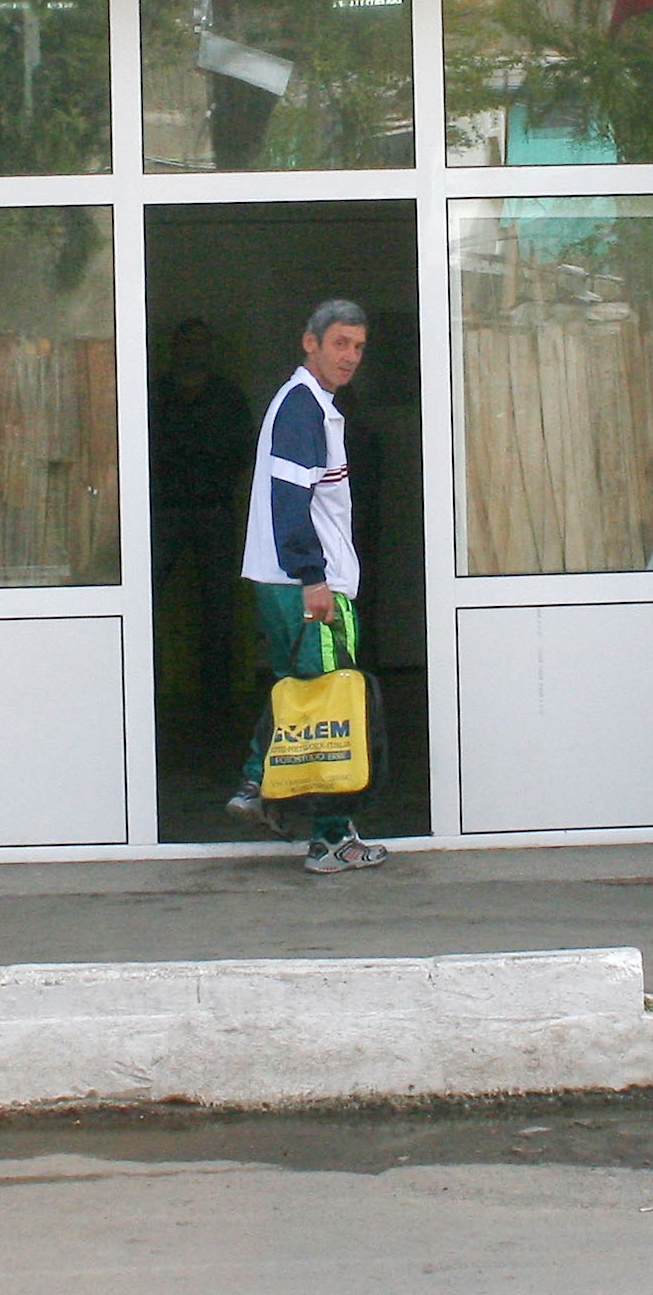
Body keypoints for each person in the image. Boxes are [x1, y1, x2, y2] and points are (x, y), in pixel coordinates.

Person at [224, 299, 389, 874]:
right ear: (310, 342)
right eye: (340, 343)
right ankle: (324, 834)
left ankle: (268, 790)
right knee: (328, 701)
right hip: (304, 584)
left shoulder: (311, 404)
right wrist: (313, 577)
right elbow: (288, 500)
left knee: (310, 693)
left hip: (295, 580)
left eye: (358, 347)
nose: (350, 356)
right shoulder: (301, 407)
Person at [149, 318, 254, 756]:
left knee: (218, 605)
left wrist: (218, 480)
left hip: (212, 506)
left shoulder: (227, 396)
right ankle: (144, 690)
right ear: (174, 348)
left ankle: (217, 701)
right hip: (165, 508)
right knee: (143, 600)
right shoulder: (155, 392)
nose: (194, 351)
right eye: (186, 343)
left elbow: (245, 448)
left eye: (201, 343)